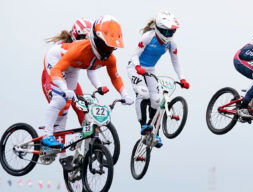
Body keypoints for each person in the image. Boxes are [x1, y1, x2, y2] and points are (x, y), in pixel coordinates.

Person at [41, 15, 134, 169]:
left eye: (112, 48)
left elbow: (115, 77)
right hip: (56, 60)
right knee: (60, 101)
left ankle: (86, 143)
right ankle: (47, 136)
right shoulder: (78, 50)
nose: (109, 51)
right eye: (106, 47)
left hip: (73, 68)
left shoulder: (109, 58)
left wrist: (125, 95)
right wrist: (64, 90)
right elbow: (57, 70)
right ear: (96, 41)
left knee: (76, 104)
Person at [127, 11, 190, 148]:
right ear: (159, 29)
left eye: (171, 32)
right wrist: (137, 67)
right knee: (144, 94)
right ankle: (143, 125)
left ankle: (154, 132)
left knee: (157, 101)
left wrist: (182, 79)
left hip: (150, 70)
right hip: (135, 68)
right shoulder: (148, 37)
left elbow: (176, 62)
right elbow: (134, 55)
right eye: (166, 32)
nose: (168, 36)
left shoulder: (171, 44)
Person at [43, 18, 92, 133]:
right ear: (75, 35)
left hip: (69, 77)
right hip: (52, 76)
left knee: (83, 109)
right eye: (82, 38)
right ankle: (50, 139)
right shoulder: (61, 47)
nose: (85, 42)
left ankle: (90, 142)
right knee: (62, 107)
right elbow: (52, 68)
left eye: (88, 39)